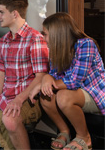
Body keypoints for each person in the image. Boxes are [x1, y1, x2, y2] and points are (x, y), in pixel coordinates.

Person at [29, 12, 105, 150]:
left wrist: (43, 84)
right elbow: (53, 75)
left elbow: (75, 81)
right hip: (77, 93)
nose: (43, 37)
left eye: (45, 33)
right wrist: (47, 78)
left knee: (63, 97)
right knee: (45, 97)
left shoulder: (86, 45)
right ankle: (64, 131)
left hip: (96, 94)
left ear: (57, 33)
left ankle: (84, 137)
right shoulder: (57, 50)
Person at [0, 0, 49, 149]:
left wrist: (18, 99)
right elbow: (1, 73)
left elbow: (41, 77)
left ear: (14, 13)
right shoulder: (4, 41)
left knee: (10, 120)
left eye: (1, 12)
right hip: (6, 99)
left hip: (27, 100)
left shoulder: (35, 38)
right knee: (6, 144)